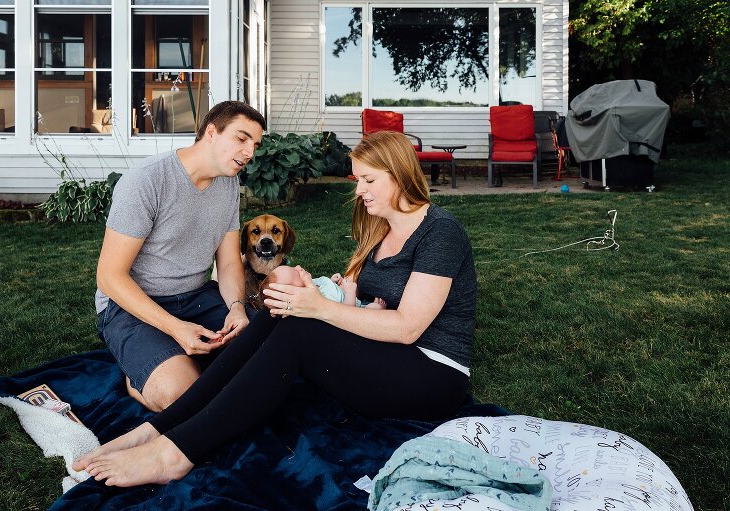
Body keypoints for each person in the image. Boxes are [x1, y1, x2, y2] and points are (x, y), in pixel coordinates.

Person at [74, 130, 478, 487]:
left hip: (431, 374)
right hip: (385, 356)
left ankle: (176, 454)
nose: (359, 191)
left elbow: (408, 327)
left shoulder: (440, 232)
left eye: (369, 180)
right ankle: (159, 428)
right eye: (358, 181)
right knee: (278, 314)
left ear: (400, 175)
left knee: (300, 327)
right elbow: (362, 301)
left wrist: (319, 308)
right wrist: (328, 291)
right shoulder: (380, 229)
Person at [94, 101, 266, 412]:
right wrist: (175, 327)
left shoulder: (228, 184)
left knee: (270, 354)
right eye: (241, 139)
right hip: (130, 305)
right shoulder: (146, 181)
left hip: (194, 298)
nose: (250, 152)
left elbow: (227, 263)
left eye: (255, 144)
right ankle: (139, 377)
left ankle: (169, 358)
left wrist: (237, 309)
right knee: (180, 395)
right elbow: (109, 276)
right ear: (211, 132)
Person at [262, 265, 387, 309]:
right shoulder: (321, 299)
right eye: (296, 274)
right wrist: (350, 292)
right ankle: (379, 309)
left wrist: (334, 283)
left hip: (352, 301)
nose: (299, 267)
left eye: (293, 267)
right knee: (373, 308)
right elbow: (346, 311)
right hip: (356, 310)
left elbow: (327, 287)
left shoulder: (314, 283)